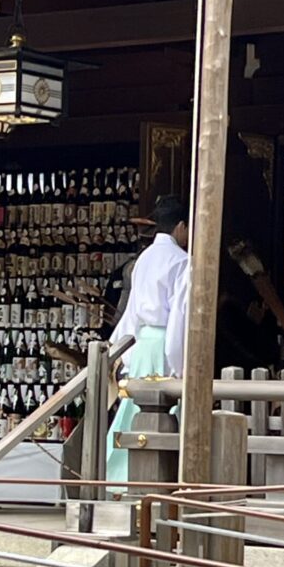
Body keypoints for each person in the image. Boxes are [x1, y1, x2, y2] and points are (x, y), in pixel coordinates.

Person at [106, 195, 189, 484]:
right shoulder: (182, 261)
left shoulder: (143, 259)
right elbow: (179, 315)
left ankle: (117, 477)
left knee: (133, 410)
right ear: (181, 226)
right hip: (165, 343)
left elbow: (132, 310)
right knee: (166, 412)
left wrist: (122, 352)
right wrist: (179, 365)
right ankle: (155, 478)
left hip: (142, 343)